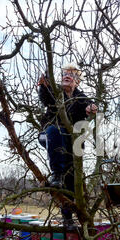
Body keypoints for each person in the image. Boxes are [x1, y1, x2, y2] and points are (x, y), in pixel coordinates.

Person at [38, 63, 97, 224]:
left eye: (72, 74)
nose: (67, 75)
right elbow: (44, 96)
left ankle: (67, 216)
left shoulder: (80, 97)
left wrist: (91, 108)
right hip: (48, 136)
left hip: (70, 145)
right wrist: (44, 81)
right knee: (54, 131)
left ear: (77, 81)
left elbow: (89, 105)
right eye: (65, 73)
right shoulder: (55, 92)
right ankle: (57, 173)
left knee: (71, 179)